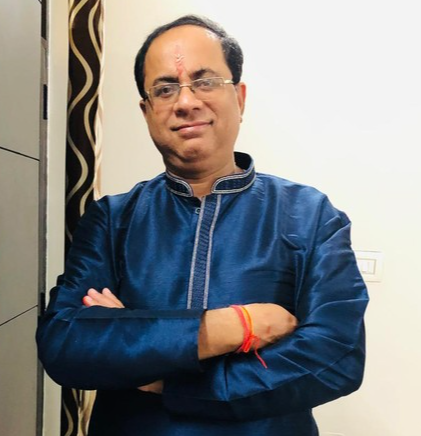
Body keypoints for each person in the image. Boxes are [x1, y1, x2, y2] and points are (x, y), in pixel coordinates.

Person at [37, 14, 369, 436]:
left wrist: (149, 361)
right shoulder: (112, 218)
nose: (186, 101)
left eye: (205, 81)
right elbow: (65, 344)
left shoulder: (310, 214)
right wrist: (237, 326)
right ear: (146, 111)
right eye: (164, 89)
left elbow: (335, 358)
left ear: (240, 98)